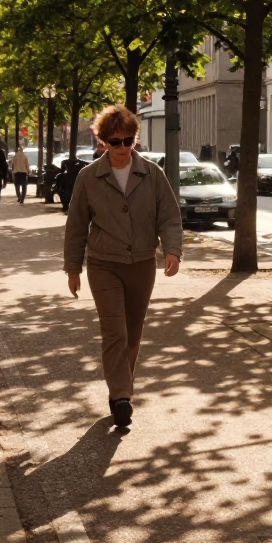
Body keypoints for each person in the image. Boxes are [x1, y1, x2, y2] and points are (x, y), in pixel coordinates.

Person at [64, 104, 182, 429]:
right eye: (115, 142)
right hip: (104, 264)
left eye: (128, 140)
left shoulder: (152, 174)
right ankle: (121, 397)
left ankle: (121, 390)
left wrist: (172, 250)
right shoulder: (88, 177)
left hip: (142, 264)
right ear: (102, 142)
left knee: (132, 335)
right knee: (114, 332)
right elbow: (76, 226)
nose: (122, 147)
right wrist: (73, 268)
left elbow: (169, 216)